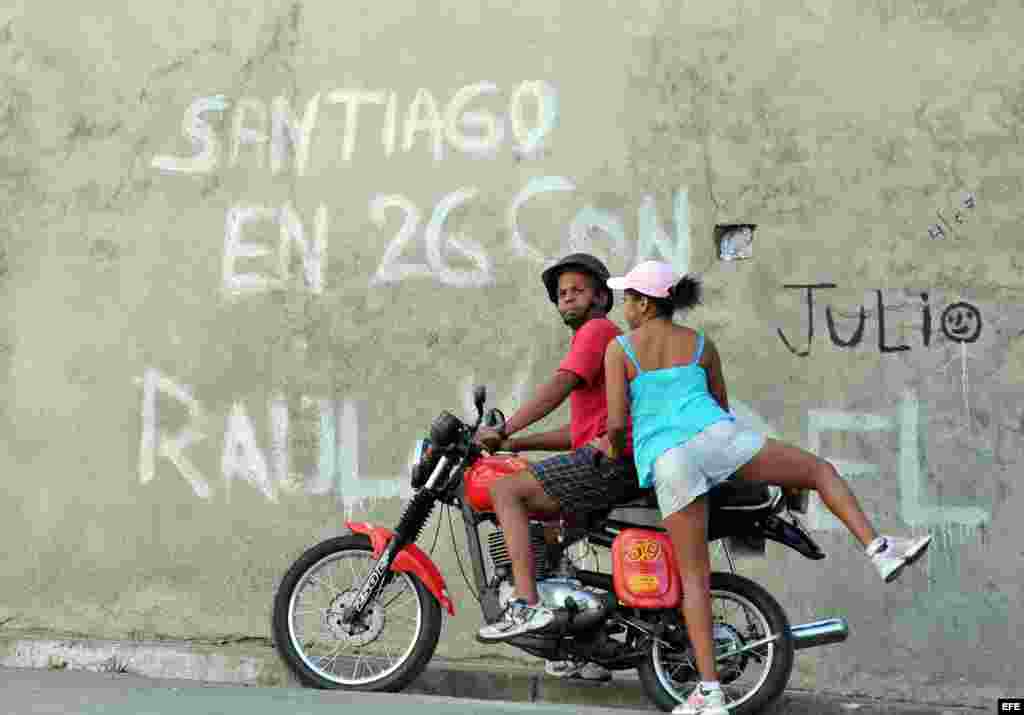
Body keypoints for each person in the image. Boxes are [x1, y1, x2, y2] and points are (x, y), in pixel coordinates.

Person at [601, 261, 932, 715]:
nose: (624, 308)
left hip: (670, 459)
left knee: (694, 579)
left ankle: (710, 693)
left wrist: (615, 451)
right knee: (818, 470)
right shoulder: (701, 344)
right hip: (718, 438)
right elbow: (720, 405)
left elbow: (617, 424)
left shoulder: (619, 349)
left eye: (627, 299)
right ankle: (879, 548)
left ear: (644, 303)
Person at [474, 254, 638, 662]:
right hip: (611, 459)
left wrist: (504, 428)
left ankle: (526, 605)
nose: (567, 298)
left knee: (506, 491)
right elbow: (578, 431)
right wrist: (517, 444)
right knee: (547, 534)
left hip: (610, 462)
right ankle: (578, 646)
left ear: (601, 298)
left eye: (577, 290)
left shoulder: (597, 330)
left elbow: (560, 385)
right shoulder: (602, 338)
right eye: (562, 293)